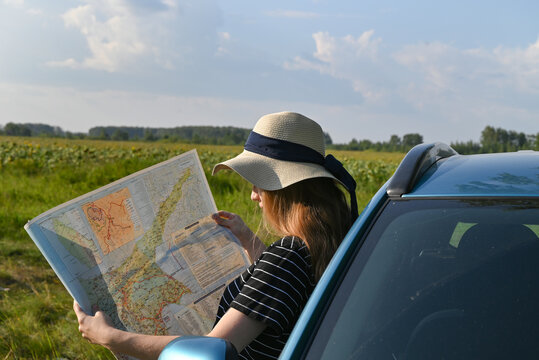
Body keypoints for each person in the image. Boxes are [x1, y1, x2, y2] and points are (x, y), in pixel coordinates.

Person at [74, 111, 358, 359]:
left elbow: (210, 351)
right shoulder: (341, 239)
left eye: (258, 184)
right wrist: (250, 241)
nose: (253, 195)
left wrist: (111, 337)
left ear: (285, 189)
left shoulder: (288, 256)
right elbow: (285, 295)